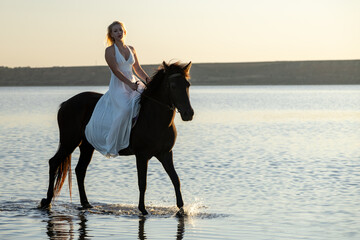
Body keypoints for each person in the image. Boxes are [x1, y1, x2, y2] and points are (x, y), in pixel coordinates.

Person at [85, 21, 151, 157]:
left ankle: (141, 137)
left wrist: (148, 81)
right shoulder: (109, 51)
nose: (118, 33)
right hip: (119, 86)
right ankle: (113, 143)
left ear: (124, 31)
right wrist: (129, 84)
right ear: (111, 35)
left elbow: (137, 69)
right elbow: (116, 71)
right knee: (125, 110)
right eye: (115, 31)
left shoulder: (131, 49)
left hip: (134, 82)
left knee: (147, 104)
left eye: (120, 30)